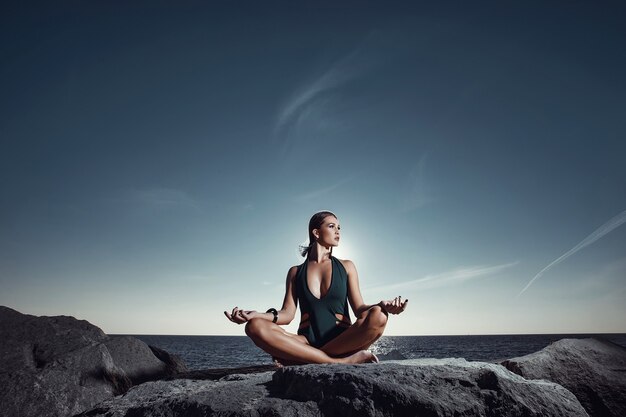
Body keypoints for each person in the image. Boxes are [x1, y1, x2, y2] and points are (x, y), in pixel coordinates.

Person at [224, 210, 408, 365]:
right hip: (306, 340)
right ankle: (339, 362)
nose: (338, 231)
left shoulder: (347, 266)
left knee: (379, 315)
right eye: (331, 226)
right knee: (254, 327)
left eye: (339, 228)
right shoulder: (295, 272)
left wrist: (383, 305)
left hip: (342, 338)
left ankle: (302, 357)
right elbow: (287, 314)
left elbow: (360, 309)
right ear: (316, 233)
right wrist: (256, 314)